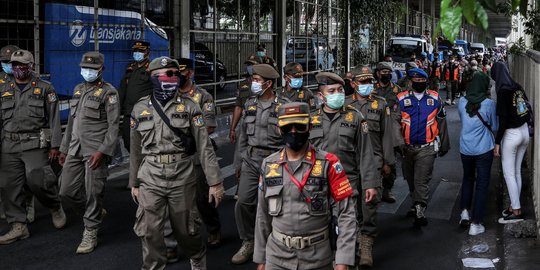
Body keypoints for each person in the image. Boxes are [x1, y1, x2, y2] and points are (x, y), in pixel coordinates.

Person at [129, 56, 224, 270]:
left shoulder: (190, 106)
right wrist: (134, 182)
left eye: (175, 74)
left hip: (181, 174)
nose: (172, 78)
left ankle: (197, 255)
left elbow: (204, 147)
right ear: (153, 78)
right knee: (149, 230)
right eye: (166, 74)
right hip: (150, 175)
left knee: (186, 229)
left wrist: (215, 182)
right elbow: (135, 150)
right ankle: (153, 266)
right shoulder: (140, 108)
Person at [254, 102, 357, 270]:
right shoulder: (269, 165)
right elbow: (262, 215)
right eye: (288, 127)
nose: (293, 132)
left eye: (300, 126)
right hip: (277, 257)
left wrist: (342, 260)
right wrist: (261, 258)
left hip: (318, 257)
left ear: (309, 126)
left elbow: (346, 213)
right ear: (279, 130)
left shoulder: (329, 163)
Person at [309, 72, 379, 267]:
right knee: (319, 229)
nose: (337, 94)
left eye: (340, 90)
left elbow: (365, 154)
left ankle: (349, 263)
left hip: (347, 183)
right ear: (321, 96)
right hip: (316, 183)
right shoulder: (310, 118)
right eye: (331, 91)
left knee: (348, 229)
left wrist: (370, 185)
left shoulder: (356, 117)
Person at [0, 49, 65, 244]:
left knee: (39, 180)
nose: (18, 69)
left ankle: (54, 205)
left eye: (22, 66)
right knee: (8, 185)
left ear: (32, 66)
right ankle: (18, 226)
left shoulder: (45, 88)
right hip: (8, 144)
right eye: (15, 66)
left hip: (34, 142)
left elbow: (54, 119)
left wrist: (55, 145)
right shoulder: (3, 87)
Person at [58, 52, 120, 253]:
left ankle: (90, 230)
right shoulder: (78, 90)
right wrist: (64, 149)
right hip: (75, 148)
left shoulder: (109, 93)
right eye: (85, 68)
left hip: (95, 150)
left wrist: (102, 151)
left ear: (101, 70)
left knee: (93, 191)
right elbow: (71, 124)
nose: (88, 72)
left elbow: (113, 126)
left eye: (92, 69)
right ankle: (93, 212)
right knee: (65, 190)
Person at [232, 64, 290, 265]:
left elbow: (291, 137)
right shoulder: (250, 104)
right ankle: (249, 240)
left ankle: (274, 241)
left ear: (269, 83)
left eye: (257, 80)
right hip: (251, 158)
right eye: (253, 79)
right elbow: (242, 136)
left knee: (275, 204)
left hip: (275, 160)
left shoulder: (284, 106)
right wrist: (238, 162)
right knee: (243, 202)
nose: (253, 83)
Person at [349, 67, 397, 265]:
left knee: (369, 205)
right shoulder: (345, 105)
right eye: (362, 81)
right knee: (350, 207)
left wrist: (388, 162)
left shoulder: (380, 104)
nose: (367, 84)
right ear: (353, 84)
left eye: (369, 80)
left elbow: (387, 136)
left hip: (375, 162)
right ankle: (352, 243)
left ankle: (366, 244)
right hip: (350, 165)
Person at [177, 57, 222, 249]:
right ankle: (176, 242)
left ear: (190, 73)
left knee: (202, 198)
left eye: (182, 72)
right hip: (176, 156)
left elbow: (209, 127)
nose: (178, 76)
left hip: (197, 154)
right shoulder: (169, 96)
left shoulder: (203, 97)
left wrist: (186, 133)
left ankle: (213, 228)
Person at [397, 68, 450, 227]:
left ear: (426, 82)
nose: (419, 84)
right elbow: (394, 123)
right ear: (411, 82)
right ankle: (416, 202)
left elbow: (442, 121)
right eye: (416, 81)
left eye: (422, 82)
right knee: (410, 178)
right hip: (406, 148)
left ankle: (420, 209)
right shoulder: (401, 99)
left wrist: (444, 144)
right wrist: (396, 144)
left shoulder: (435, 99)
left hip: (427, 147)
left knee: (421, 179)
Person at [457, 71, 498, 235]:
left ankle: (464, 212)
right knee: (482, 184)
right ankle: (476, 223)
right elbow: (494, 127)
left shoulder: (461, 101)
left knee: (467, 178)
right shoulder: (489, 104)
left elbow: (462, 119)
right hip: (484, 149)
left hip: (465, 148)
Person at [491, 62, 531, 224]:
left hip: (511, 135)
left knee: (509, 174)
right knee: (516, 172)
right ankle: (514, 207)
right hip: (524, 132)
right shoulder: (517, 87)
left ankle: (516, 211)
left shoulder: (502, 92)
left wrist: (497, 142)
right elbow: (526, 107)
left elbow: (503, 120)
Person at [373, 62, 403, 203]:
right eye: (383, 71)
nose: (386, 74)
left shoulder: (397, 90)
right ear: (378, 73)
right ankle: (374, 188)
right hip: (374, 129)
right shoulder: (372, 89)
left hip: (390, 129)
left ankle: (388, 189)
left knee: (390, 160)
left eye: (388, 72)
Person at [119, 40, 153, 151]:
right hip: (128, 113)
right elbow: (123, 89)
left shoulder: (151, 69)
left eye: (140, 51)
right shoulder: (130, 68)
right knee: (128, 142)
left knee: (144, 143)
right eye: (135, 50)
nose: (137, 53)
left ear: (147, 52)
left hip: (144, 114)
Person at [0, 44, 19, 220]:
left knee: (27, 179)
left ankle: (27, 206)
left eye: (10, 62)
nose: (7, 65)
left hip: (24, 137)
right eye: (4, 62)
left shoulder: (30, 80)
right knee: (5, 177)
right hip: (5, 136)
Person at [229, 55, 260, 144]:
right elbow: (238, 107)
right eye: (248, 65)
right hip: (245, 125)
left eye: (252, 64)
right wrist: (232, 129)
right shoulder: (243, 85)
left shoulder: (265, 83)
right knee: (240, 154)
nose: (250, 67)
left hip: (261, 125)